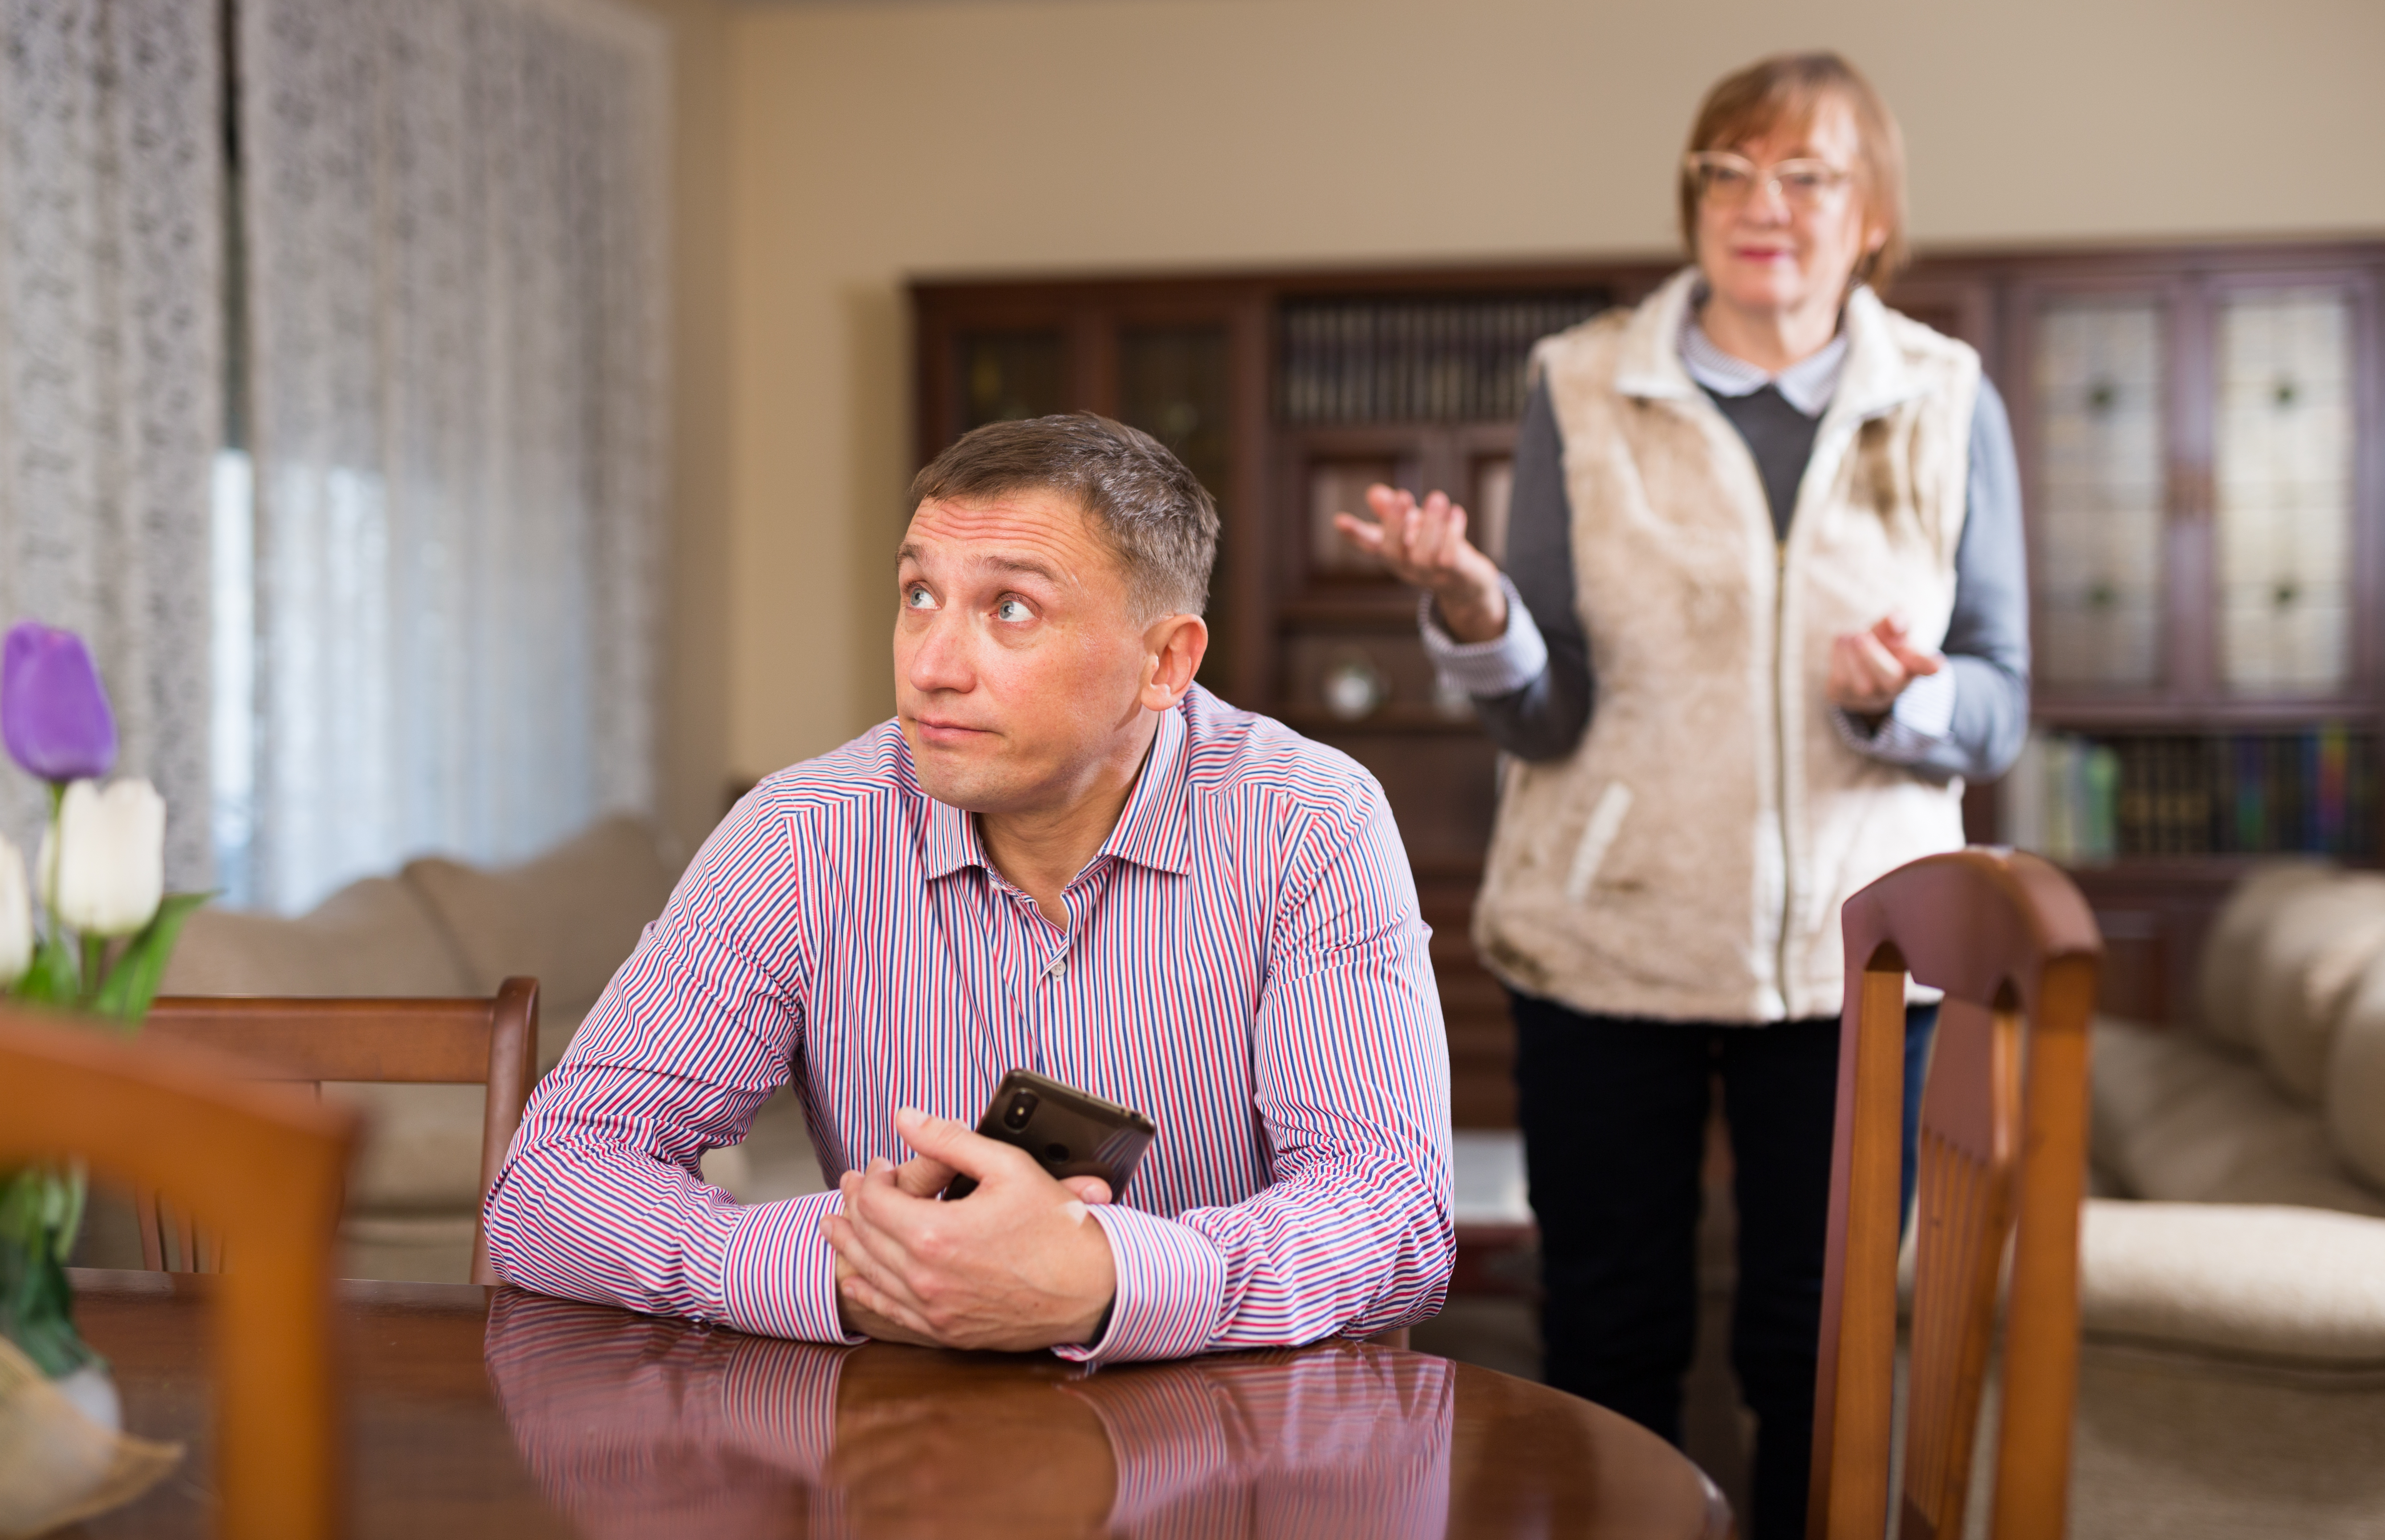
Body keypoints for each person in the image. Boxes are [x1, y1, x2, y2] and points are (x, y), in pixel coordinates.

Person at [1333, 52, 2027, 1540]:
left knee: (1817, 1348)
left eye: (1801, 175)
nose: (1756, 204)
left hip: (1862, 964)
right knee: (1607, 1336)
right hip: (1606, 946)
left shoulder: (1946, 398)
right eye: (1725, 173)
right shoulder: (1578, 384)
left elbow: (1997, 698)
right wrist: (1469, 607)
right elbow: (1549, 701)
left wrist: (1897, 699)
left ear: (1871, 218)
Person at [485, 411, 1453, 1365]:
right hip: (898, 1444)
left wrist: (1107, 1279)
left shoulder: (1310, 823)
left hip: (1235, 1452)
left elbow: (1390, 1212)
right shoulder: (802, 830)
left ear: (1165, 662)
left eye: (1011, 608)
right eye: (918, 595)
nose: (932, 667)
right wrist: (837, 1269)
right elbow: (552, 1182)